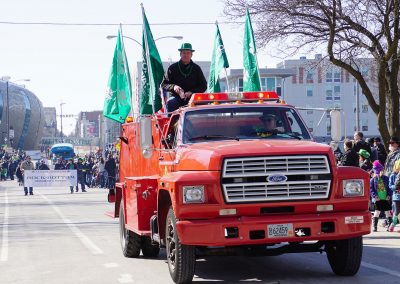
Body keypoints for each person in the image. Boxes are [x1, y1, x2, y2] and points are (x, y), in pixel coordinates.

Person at [161, 43, 207, 113]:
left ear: (191, 55)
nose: (186, 55)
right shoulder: (172, 68)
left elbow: (203, 86)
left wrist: (192, 92)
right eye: (183, 53)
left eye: (188, 53)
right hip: (176, 98)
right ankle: (172, 123)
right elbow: (164, 85)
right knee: (170, 102)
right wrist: (174, 87)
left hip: (192, 98)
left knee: (204, 105)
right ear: (180, 54)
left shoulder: (197, 68)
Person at [370, 160, 393, 232]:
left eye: (380, 172)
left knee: (387, 212)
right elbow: (371, 189)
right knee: (377, 212)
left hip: (385, 198)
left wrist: (389, 195)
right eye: (377, 172)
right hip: (378, 199)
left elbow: (389, 188)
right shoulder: (373, 179)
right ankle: (375, 227)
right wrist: (374, 196)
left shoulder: (386, 178)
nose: (378, 174)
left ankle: (389, 226)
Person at [389, 160, 400, 232]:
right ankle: (393, 224)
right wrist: (395, 187)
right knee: (396, 211)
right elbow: (390, 185)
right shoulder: (393, 175)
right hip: (396, 196)